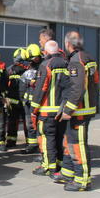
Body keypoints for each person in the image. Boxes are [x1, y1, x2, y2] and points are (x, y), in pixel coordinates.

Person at [53, 31, 99, 191]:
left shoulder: (76, 60)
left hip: (79, 111)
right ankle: (67, 172)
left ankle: (82, 180)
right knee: (69, 142)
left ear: (68, 44)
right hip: (83, 108)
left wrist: (69, 109)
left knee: (78, 144)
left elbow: (77, 87)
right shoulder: (87, 56)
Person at [30, 40, 68, 175]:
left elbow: (41, 89)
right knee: (59, 137)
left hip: (47, 111)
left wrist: (33, 110)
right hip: (63, 110)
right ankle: (59, 163)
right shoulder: (67, 64)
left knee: (47, 138)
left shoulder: (45, 65)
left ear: (45, 52)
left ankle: (48, 166)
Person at [20, 43, 42, 153]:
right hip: (28, 101)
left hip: (39, 101)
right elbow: (23, 84)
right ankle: (32, 144)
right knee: (30, 123)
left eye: (33, 58)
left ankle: (41, 146)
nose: (32, 60)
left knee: (40, 124)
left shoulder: (43, 65)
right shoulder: (29, 65)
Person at [6, 48, 28, 149]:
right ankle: (29, 142)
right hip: (24, 100)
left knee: (12, 121)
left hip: (12, 100)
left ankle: (11, 141)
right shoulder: (27, 69)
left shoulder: (9, 69)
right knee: (26, 121)